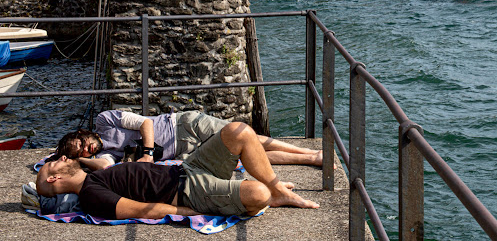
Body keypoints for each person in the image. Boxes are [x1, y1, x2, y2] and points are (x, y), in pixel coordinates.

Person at [37, 120, 319, 219]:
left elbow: (95, 162)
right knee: (257, 194)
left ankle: (277, 188)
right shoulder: (91, 194)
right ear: (54, 177)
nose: (59, 158)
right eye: (55, 162)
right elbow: (140, 210)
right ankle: (273, 193)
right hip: (189, 192)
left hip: (188, 168)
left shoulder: (95, 174)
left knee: (239, 131)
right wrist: (193, 213)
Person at [53, 110, 323, 171]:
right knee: (242, 154)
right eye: (83, 153)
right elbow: (104, 168)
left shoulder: (103, 120)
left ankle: (308, 152)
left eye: (83, 143)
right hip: (184, 152)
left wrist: (147, 152)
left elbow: (145, 122)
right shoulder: (104, 155)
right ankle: (310, 160)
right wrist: (81, 162)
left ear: (83, 134)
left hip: (183, 124)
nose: (88, 148)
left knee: (249, 137)